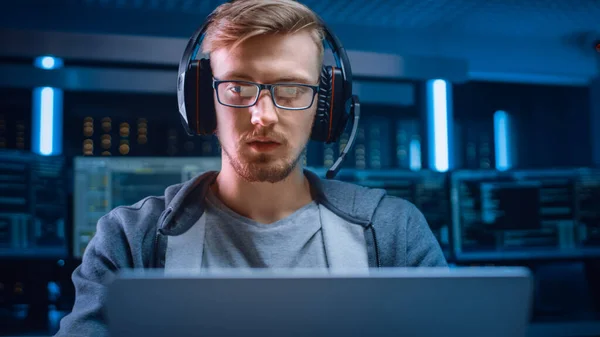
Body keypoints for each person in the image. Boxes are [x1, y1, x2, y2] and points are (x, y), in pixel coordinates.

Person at [55, 0, 447, 335]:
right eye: (239, 88)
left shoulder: (394, 232)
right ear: (203, 102)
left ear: (326, 108)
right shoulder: (129, 241)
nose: (264, 116)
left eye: (292, 89)